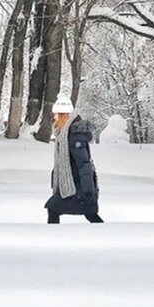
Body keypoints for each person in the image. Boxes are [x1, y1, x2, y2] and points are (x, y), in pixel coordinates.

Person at [44, 93, 103, 224]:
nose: (54, 118)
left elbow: (84, 162)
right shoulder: (65, 134)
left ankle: (109, 233)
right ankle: (107, 232)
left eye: (56, 115)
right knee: (88, 214)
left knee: (88, 214)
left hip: (77, 185)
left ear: (63, 116)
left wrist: (88, 189)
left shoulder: (74, 135)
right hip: (71, 183)